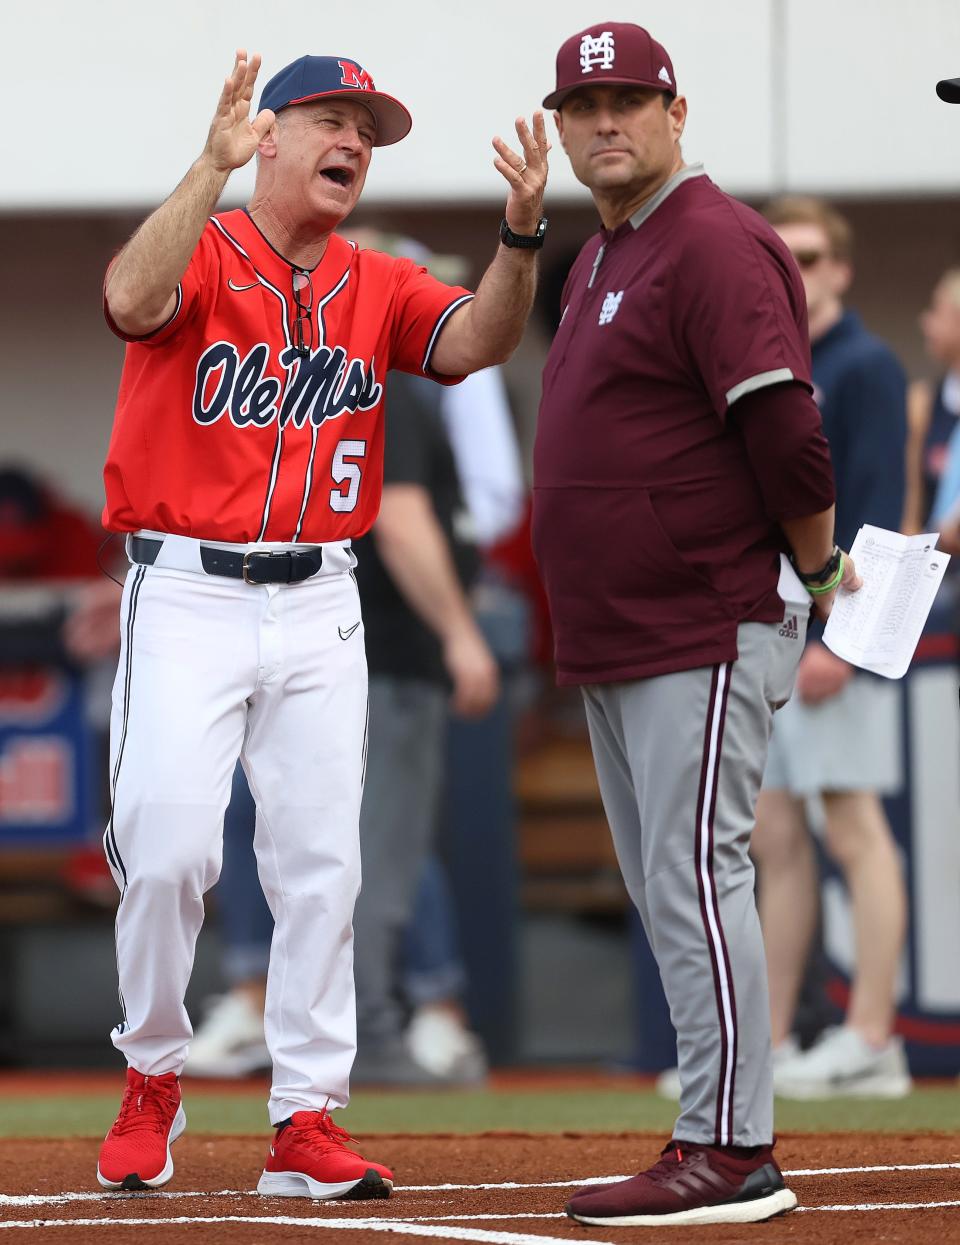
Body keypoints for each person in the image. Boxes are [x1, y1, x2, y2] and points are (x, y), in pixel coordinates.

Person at [95, 48, 547, 1200]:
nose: (354, 141)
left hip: (319, 595)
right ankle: (153, 1070)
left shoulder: (378, 280)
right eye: (333, 121)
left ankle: (305, 1116)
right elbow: (130, 303)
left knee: (321, 866)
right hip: (188, 584)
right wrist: (207, 165)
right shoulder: (203, 246)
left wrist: (523, 235)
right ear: (274, 136)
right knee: (168, 847)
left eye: (369, 129)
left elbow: (480, 343)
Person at [531, 22, 857, 1228]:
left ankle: (732, 1151)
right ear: (560, 126)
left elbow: (788, 432)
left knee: (697, 873)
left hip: (702, 614)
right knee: (669, 884)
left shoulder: (713, 240)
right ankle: (710, 1130)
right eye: (584, 102)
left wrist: (817, 581)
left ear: (676, 112)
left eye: (627, 98)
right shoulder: (609, 251)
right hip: (626, 626)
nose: (604, 119)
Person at [749, 197, 910, 1098]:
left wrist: (845, 645)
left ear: (843, 268)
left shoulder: (868, 363)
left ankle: (874, 1035)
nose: (799, 274)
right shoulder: (784, 360)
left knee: (855, 829)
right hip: (785, 626)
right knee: (777, 834)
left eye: (812, 257)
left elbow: (883, 508)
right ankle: (766, 1044)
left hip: (840, 632)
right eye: (784, 257)